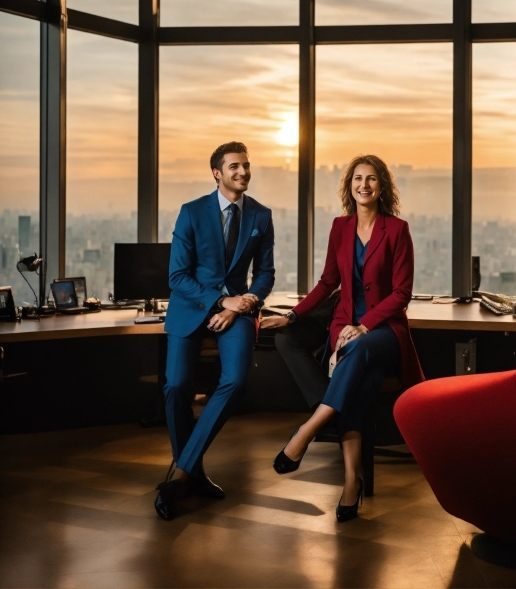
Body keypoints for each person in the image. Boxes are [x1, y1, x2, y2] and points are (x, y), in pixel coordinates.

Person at [261, 154, 424, 522]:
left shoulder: (397, 230)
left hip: (384, 331)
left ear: (382, 186)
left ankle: (309, 428)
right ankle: (352, 483)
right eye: (357, 179)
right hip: (345, 330)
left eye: (371, 179)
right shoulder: (340, 227)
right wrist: (291, 315)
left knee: (360, 346)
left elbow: (402, 294)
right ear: (349, 187)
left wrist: (365, 325)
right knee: (359, 383)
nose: (364, 185)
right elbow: (327, 283)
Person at [155, 141, 275, 520]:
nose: (242, 172)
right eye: (234, 166)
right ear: (217, 173)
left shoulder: (261, 215)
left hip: (239, 311)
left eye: (246, 165)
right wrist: (220, 302)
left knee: (236, 381)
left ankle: (181, 471)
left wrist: (247, 302)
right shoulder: (191, 213)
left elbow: (266, 274)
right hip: (192, 308)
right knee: (176, 385)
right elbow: (177, 276)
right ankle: (195, 471)